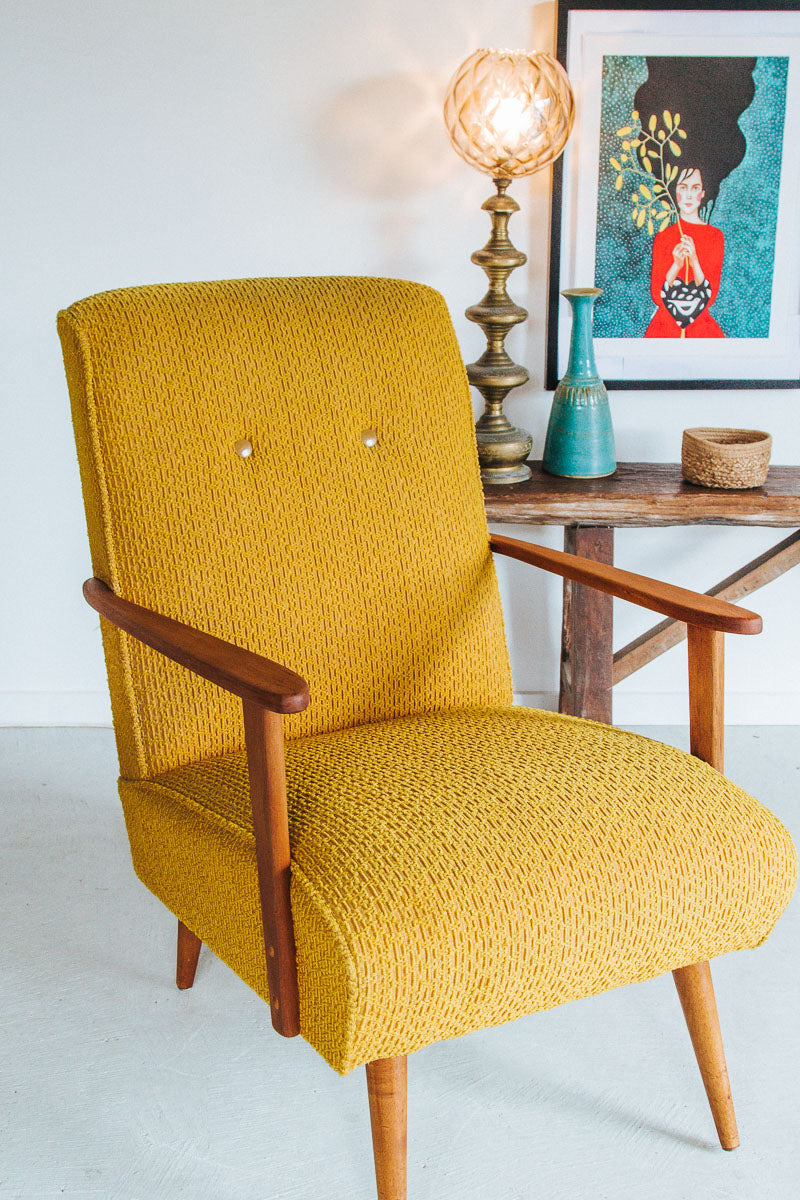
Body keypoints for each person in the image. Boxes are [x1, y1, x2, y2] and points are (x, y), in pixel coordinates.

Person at [645, 167, 724, 338]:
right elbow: (657, 296)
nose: (689, 195)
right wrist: (676, 265)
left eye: (695, 188)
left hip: (701, 328)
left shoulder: (715, 236)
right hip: (664, 327)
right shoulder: (663, 237)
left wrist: (694, 261)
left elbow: (710, 296)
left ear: (703, 193)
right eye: (683, 187)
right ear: (674, 191)